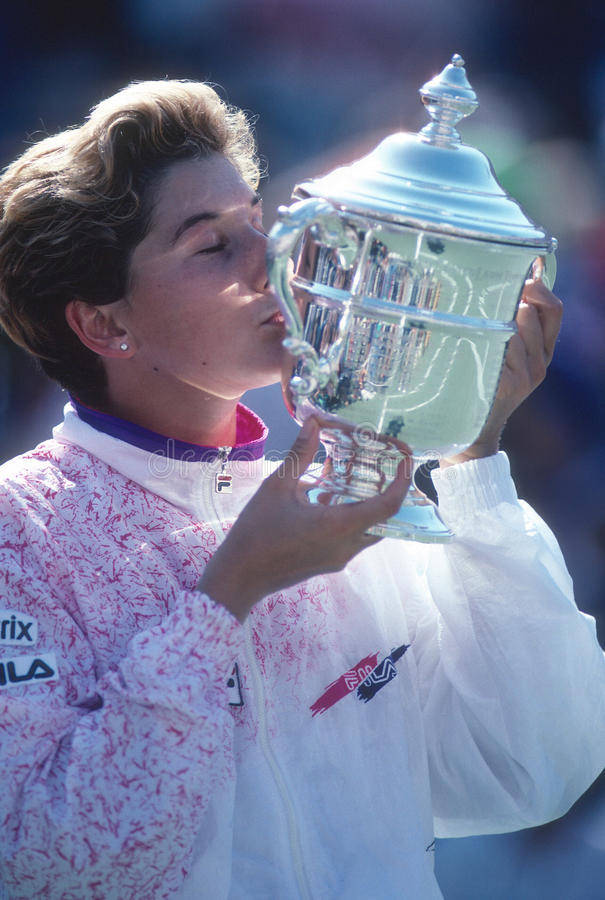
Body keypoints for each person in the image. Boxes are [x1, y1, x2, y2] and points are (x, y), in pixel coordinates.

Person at [0, 80, 602, 900]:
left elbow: (530, 769)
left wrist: (472, 453)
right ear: (104, 324)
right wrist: (229, 592)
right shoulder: (20, 530)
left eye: (259, 222)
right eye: (212, 245)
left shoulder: (340, 487)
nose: (276, 260)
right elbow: (50, 863)